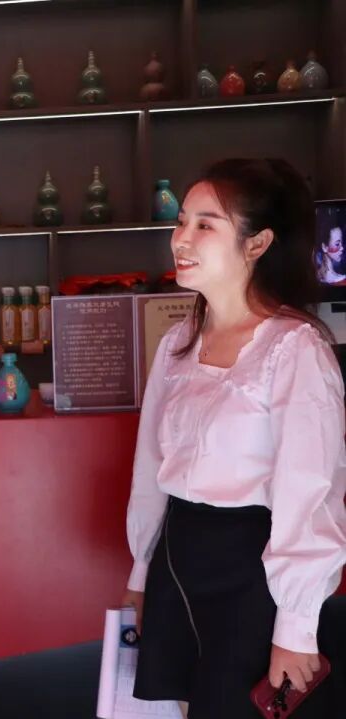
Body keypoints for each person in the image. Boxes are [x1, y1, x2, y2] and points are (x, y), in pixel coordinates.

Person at [122, 158, 346, 718]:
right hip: (178, 558)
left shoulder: (294, 348)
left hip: (252, 571)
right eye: (181, 221)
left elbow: (310, 495)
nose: (181, 238)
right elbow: (149, 471)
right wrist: (141, 573)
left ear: (257, 243)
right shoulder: (177, 344)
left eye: (206, 224)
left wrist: (296, 627)